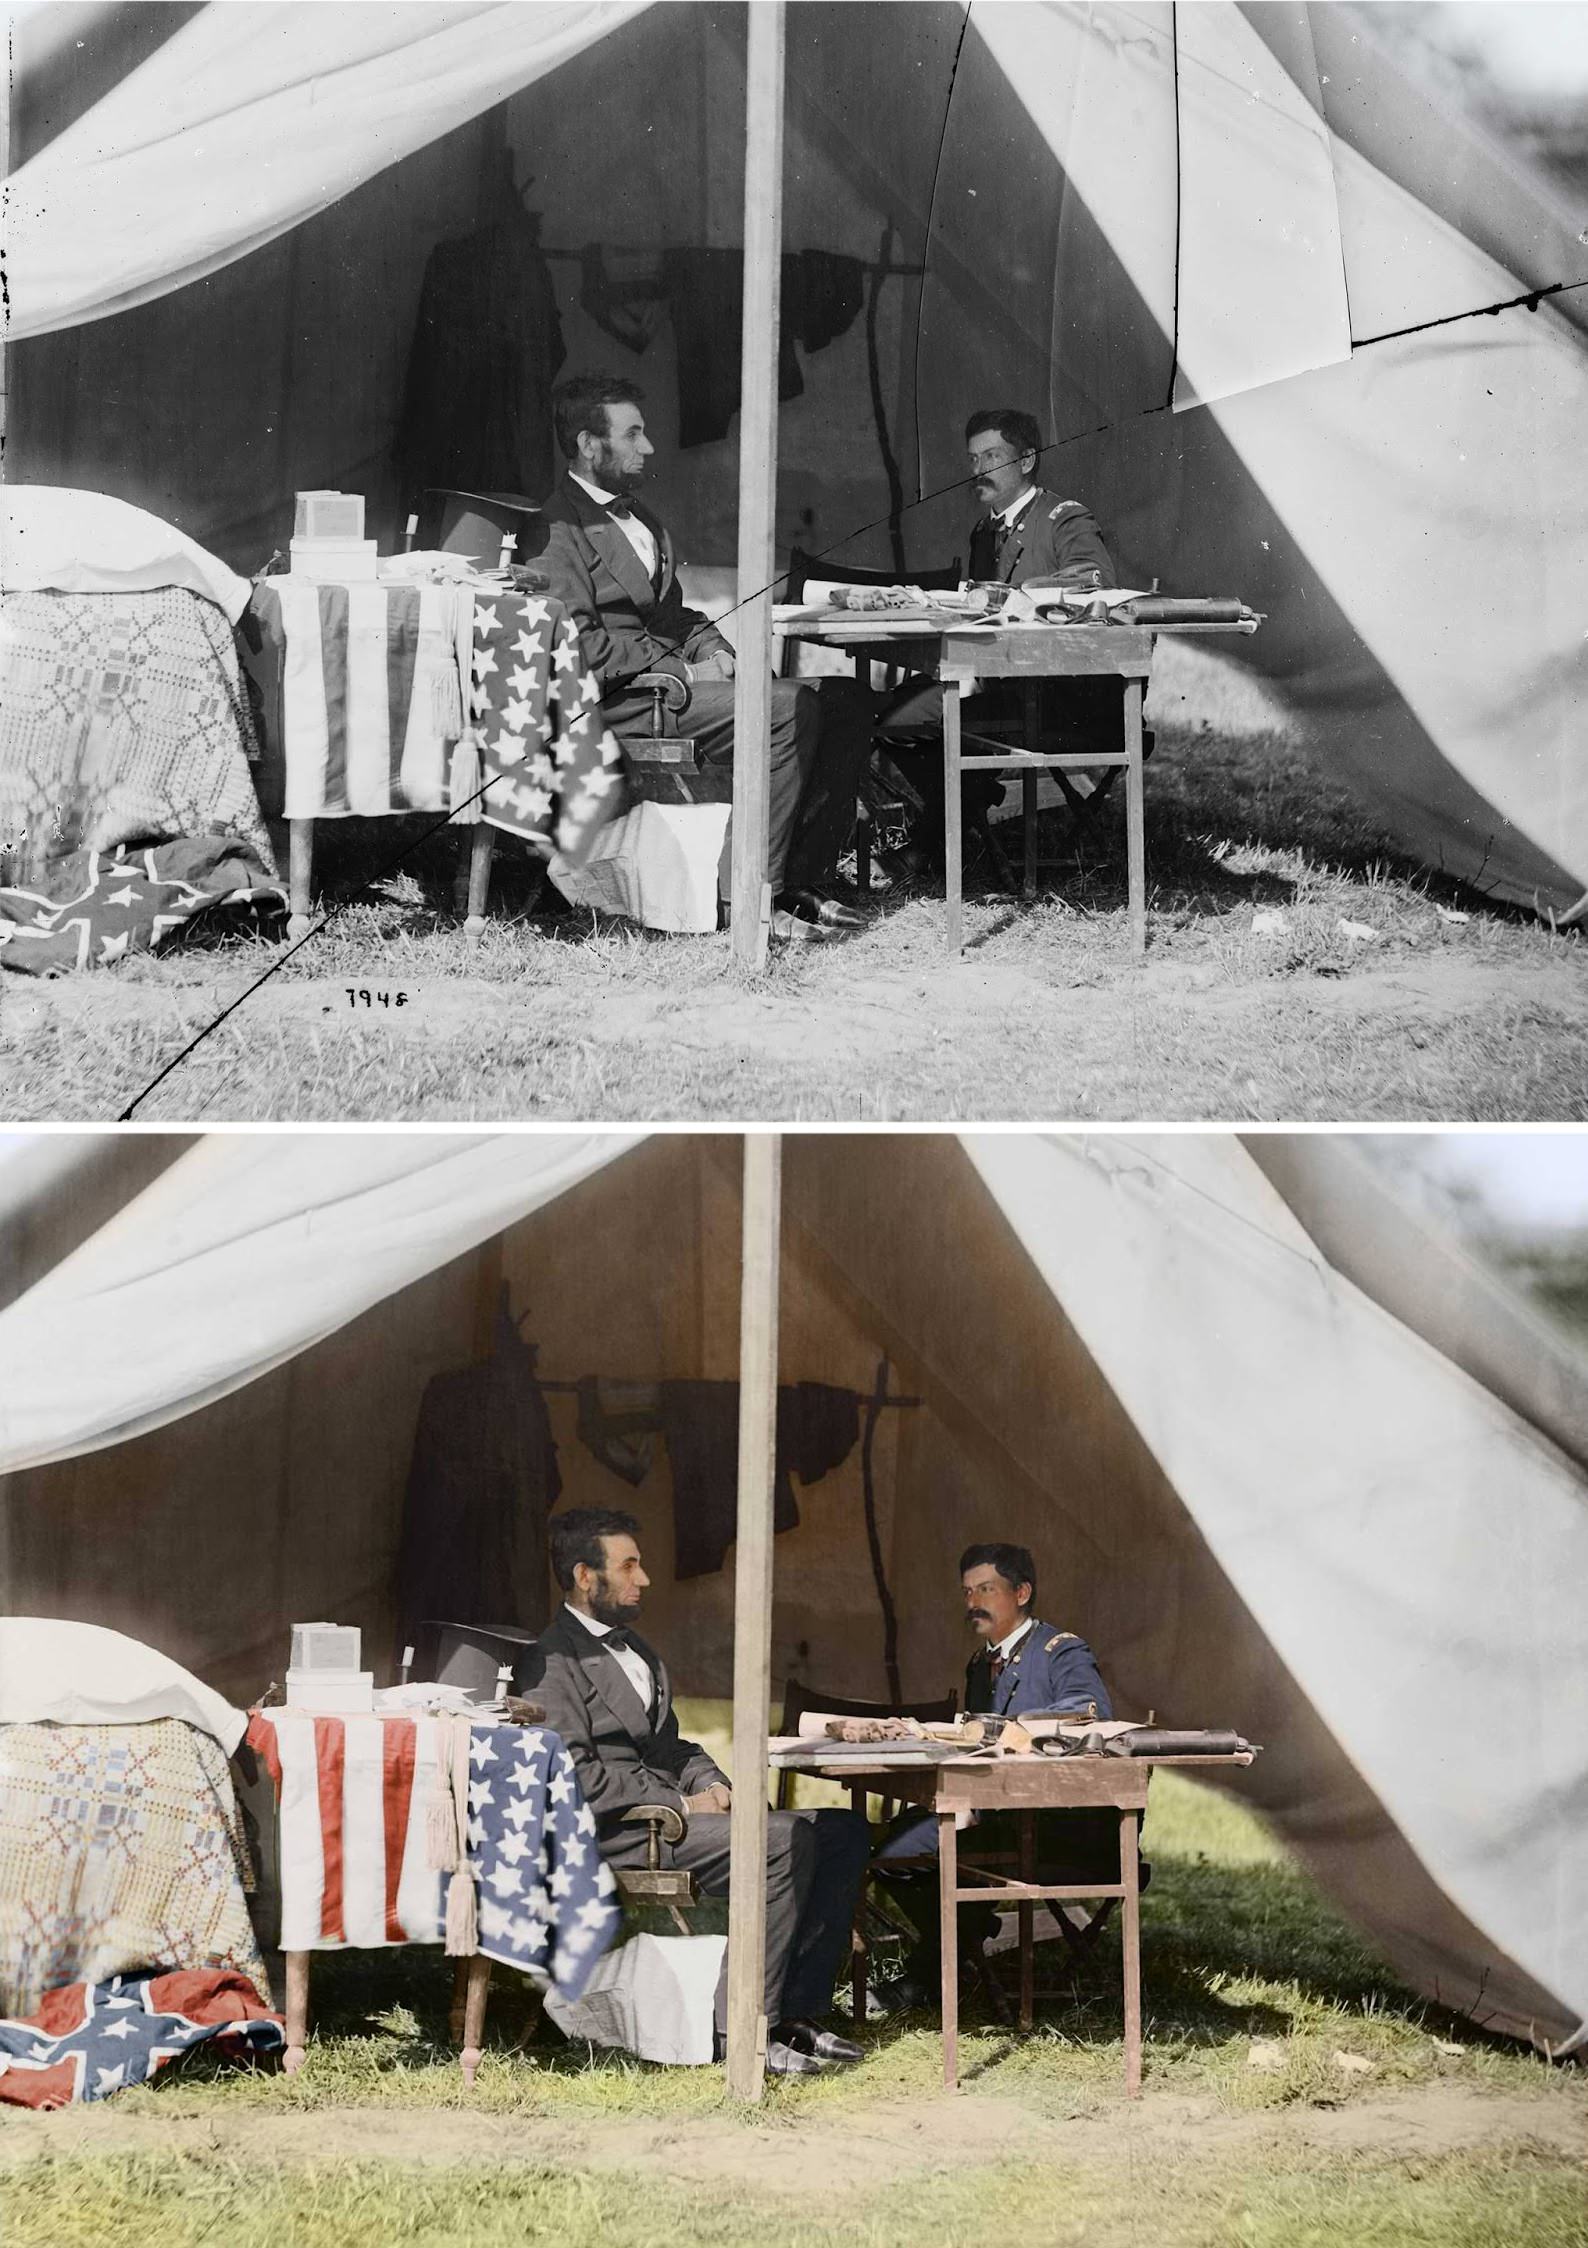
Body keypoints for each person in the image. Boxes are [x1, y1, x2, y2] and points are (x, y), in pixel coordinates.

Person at [525, 1506, 872, 2076]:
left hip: (668, 1820)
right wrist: (683, 1804)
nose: (645, 1579)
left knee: (840, 1831)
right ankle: (738, 2030)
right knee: (780, 1842)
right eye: (629, 1565)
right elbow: (575, 1775)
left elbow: (670, 1747)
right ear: (586, 1577)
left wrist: (711, 1782)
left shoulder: (639, 1652)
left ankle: (798, 2016)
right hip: (616, 1833)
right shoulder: (551, 1659)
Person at [532, 373, 876, 941]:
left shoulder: (642, 519)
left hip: (669, 688)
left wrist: (721, 652)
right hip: (619, 703)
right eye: (633, 434)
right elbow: (579, 645)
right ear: (589, 446)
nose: (647, 448)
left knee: (847, 699)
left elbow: (676, 616)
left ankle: (797, 884)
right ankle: (745, 899)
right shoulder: (556, 528)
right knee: (787, 709)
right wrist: (686, 669)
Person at [871, 1540, 1122, 2010]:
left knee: (908, 1853)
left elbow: (1088, 1711)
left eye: (986, 1589)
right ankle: (967, 1936)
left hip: (1063, 1825)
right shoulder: (981, 1665)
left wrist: (999, 1729)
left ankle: (934, 1971)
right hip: (1004, 1816)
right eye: (967, 1592)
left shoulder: (1060, 1651)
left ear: (1022, 1592)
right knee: (892, 1850)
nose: (973, 1603)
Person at [873, 407, 1120, 874]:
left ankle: (933, 843)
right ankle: (970, 800)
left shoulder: (1063, 517)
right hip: (1011, 687)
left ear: (1027, 461)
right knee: (891, 714)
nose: (978, 470)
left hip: (1070, 696)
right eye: (972, 459)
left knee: (916, 719)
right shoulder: (985, 532)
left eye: (991, 457)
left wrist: (1015, 595)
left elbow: (1095, 580)